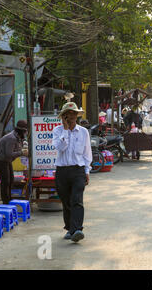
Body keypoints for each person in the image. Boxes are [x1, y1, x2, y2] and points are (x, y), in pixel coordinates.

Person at [52, 102, 92, 243]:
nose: (73, 116)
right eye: (70, 113)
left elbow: (87, 153)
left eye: (75, 113)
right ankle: (70, 228)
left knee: (77, 200)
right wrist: (65, 130)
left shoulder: (83, 132)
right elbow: (61, 147)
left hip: (78, 170)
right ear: (64, 116)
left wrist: (87, 170)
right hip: (62, 171)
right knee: (66, 201)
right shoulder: (57, 131)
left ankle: (77, 229)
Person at [0, 120, 29, 204]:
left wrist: (23, 148)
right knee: (6, 181)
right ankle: (6, 202)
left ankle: (9, 199)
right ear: (22, 131)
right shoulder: (11, 138)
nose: (26, 133)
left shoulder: (18, 137)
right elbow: (9, 154)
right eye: (26, 131)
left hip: (6, 160)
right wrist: (22, 153)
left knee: (11, 179)